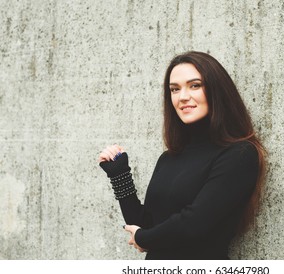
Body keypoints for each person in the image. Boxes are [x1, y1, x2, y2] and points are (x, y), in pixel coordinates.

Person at [98, 51, 267, 260]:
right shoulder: (169, 158)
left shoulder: (239, 154)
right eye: (174, 89)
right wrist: (120, 176)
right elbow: (146, 227)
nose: (183, 96)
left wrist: (144, 238)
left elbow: (196, 222)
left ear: (217, 90)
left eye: (195, 85)